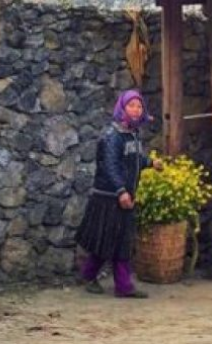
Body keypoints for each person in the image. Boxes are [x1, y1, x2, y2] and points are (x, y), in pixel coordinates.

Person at [75, 89, 163, 297]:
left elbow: (133, 160)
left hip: (124, 197)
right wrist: (121, 191)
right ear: (122, 108)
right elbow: (110, 166)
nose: (136, 109)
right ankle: (92, 277)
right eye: (131, 105)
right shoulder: (112, 137)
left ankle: (120, 285)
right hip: (108, 198)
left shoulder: (131, 135)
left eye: (139, 106)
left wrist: (150, 163)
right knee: (105, 241)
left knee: (121, 241)